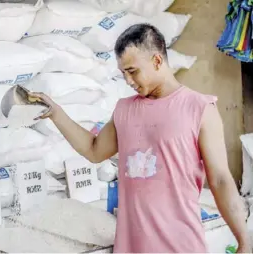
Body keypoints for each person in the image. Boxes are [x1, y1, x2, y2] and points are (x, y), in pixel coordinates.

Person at [30, 24, 251, 253]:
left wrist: (244, 242)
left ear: (157, 61)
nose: (127, 80)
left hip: (182, 246)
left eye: (133, 71)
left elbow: (221, 180)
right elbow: (93, 150)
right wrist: (56, 113)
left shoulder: (200, 108)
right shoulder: (124, 109)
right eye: (123, 73)